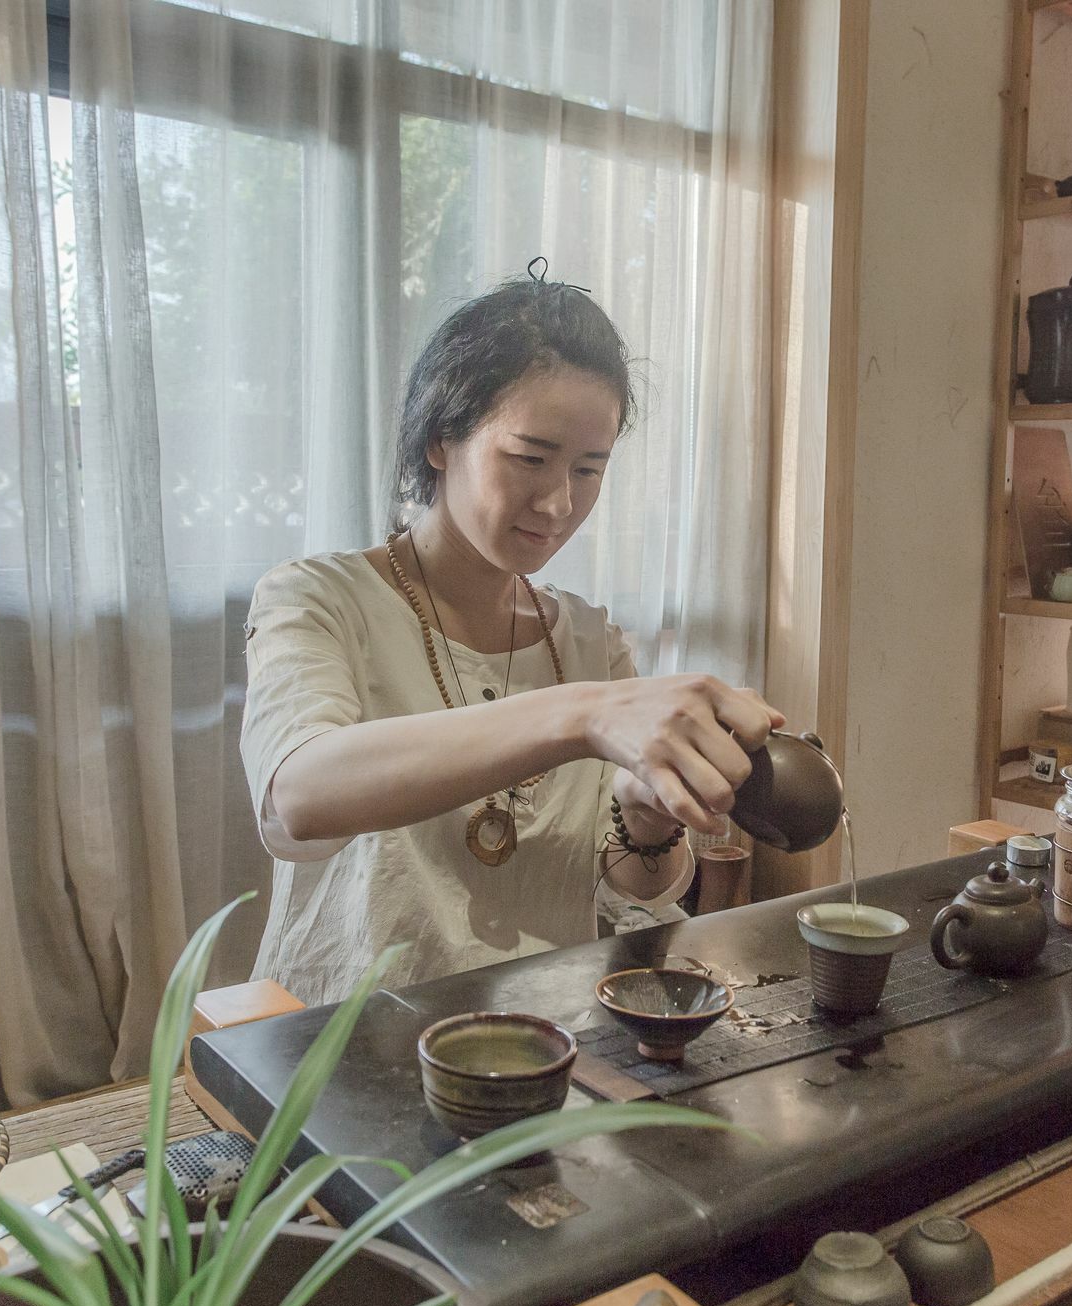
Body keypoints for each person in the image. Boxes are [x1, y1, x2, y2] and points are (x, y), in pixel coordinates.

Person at [241, 269, 781, 1004]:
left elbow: (636, 883)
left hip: (546, 1049)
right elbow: (297, 795)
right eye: (530, 458)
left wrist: (647, 816)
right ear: (440, 439)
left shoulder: (589, 639)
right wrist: (580, 715)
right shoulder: (319, 599)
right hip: (349, 1040)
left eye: (589, 470)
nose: (559, 502)